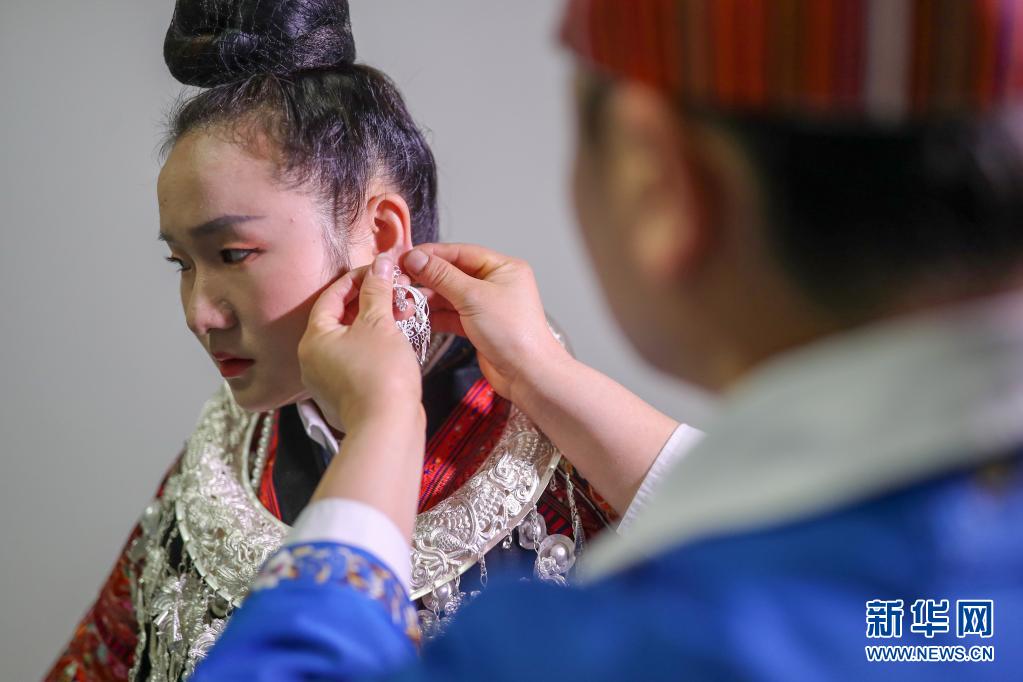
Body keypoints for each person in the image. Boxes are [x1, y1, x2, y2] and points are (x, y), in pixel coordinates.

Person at [192, 0, 1023, 680]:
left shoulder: (607, 651)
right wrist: (544, 373)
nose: (201, 310)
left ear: (656, 178)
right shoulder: (947, 617)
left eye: (232, 253)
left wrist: (380, 427)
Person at [45, 2, 649, 680]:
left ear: (381, 236)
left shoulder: (565, 460)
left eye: (234, 254)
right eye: (181, 264)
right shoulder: (220, 465)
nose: (199, 313)